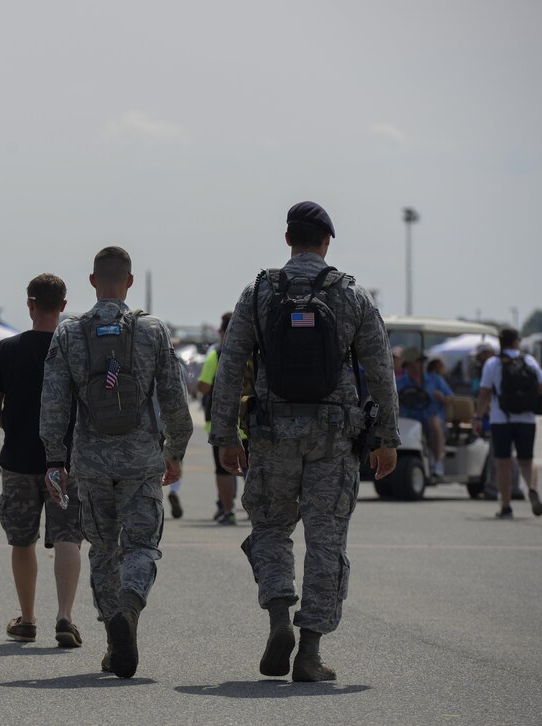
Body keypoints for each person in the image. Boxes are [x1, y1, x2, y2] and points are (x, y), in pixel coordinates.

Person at [210, 202, 399, 682]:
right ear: (326, 241)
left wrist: (224, 436)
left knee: (272, 529)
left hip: (273, 432)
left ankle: (278, 617)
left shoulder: (259, 291)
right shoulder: (351, 294)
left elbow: (231, 365)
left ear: (289, 240)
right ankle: (310, 652)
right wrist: (387, 437)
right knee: (325, 541)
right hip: (333, 437)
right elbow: (380, 369)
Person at [40, 246, 193, 680]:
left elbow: (53, 403)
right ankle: (130, 605)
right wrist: (175, 451)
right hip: (141, 459)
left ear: (92, 281)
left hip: (89, 461)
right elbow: (174, 400)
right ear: (128, 282)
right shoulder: (152, 331)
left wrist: (55, 457)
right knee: (141, 545)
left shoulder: (69, 334)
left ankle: (112, 638)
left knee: (104, 550)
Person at [0, 273, 83, 648]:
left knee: (22, 540)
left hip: (19, 459)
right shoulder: (74, 349)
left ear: (30, 304)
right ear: (64, 307)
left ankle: (27, 619)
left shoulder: (6, 350)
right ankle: (65, 617)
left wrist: (15, 422)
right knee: (68, 535)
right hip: (66, 463)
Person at [473, 327, 542, 519]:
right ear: (516, 342)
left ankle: (506, 507)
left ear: (500, 342)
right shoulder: (529, 360)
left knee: (503, 463)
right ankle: (531, 487)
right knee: (527, 461)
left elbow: (484, 393)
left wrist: (478, 417)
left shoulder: (492, 364)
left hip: (501, 419)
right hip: (527, 419)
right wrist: (538, 406)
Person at [197, 312, 251, 524]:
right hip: (253, 417)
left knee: (224, 468)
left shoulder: (217, 354)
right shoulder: (256, 350)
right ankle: (258, 510)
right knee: (254, 467)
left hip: (222, 420)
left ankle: (228, 510)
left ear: (222, 331)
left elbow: (203, 385)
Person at [395, 348, 453, 477]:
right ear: (407, 366)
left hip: (431, 417)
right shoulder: (401, 382)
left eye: (418, 362)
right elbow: (393, 399)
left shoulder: (435, 379)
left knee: (434, 421)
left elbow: (449, 397)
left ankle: (437, 462)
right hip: (410, 418)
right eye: (412, 364)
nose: (415, 367)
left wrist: (442, 397)